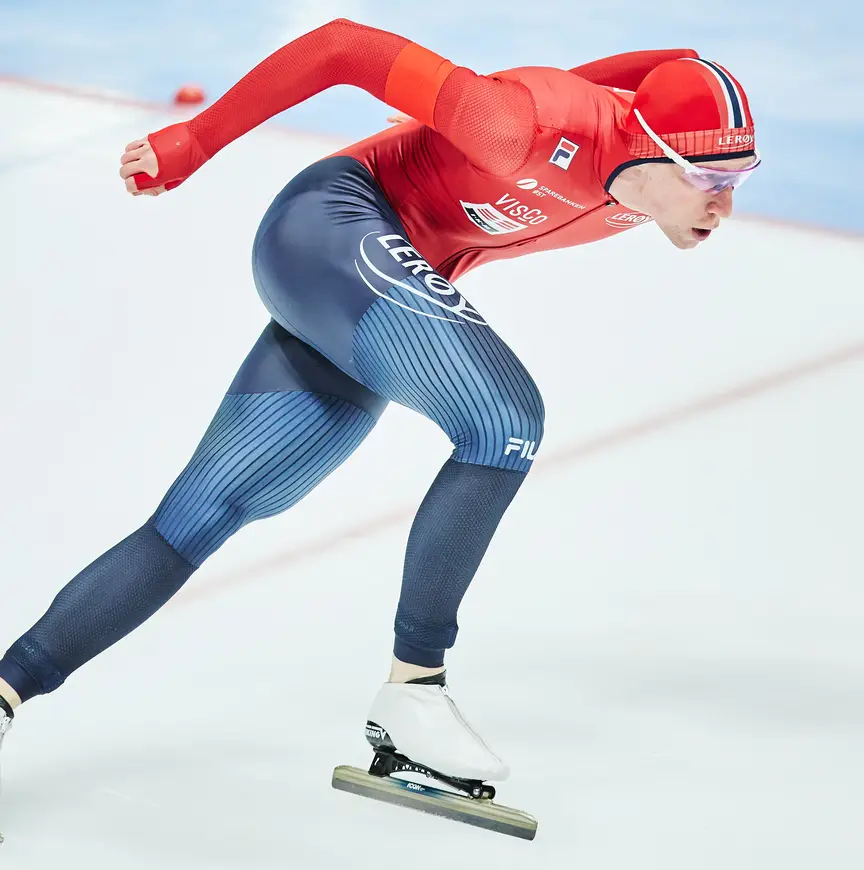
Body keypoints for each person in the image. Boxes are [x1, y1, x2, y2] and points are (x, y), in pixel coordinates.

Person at [0, 19, 759, 806]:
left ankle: (6, 688)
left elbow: (667, 67)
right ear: (651, 147)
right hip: (332, 223)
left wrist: (677, 80)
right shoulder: (518, 122)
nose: (725, 204)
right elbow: (345, 46)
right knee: (504, 419)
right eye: (711, 181)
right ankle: (415, 691)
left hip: (379, 284)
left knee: (202, 514)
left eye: (739, 180)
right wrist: (197, 137)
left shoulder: (650, 174)